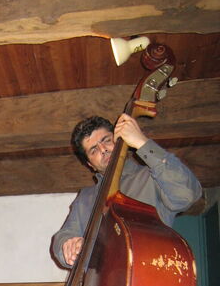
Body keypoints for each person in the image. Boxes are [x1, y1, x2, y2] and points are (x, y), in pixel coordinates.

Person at [52, 114, 202, 267]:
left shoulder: (152, 177)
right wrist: (67, 245)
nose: (103, 150)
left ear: (120, 140)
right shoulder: (85, 198)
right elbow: (64, 236)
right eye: (93, 150)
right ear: (90, 164)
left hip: (148, 272)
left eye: (106, 140)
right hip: (100, 281)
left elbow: (187, 194)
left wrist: (142, 143)